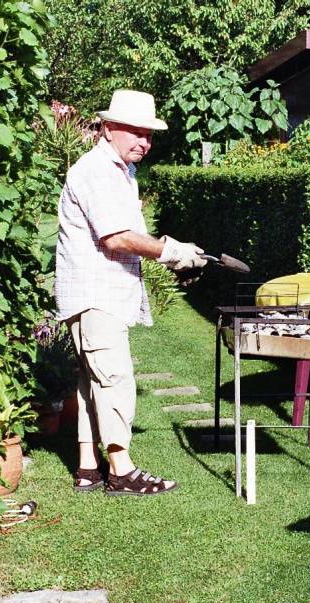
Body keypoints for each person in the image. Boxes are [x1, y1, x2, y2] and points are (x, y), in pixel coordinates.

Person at [54, 89, 206, 496]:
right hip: (94, 293)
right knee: (115, 377)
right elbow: (117, 238)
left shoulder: (121, 170)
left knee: (92, 381)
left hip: (99, 292)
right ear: (107, 128)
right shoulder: (96, 171)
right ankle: (121, 470)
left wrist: (169, 252)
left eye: (149, 135)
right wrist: (171, 251)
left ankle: (88, 467)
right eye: (136, 132)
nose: (144, 142)